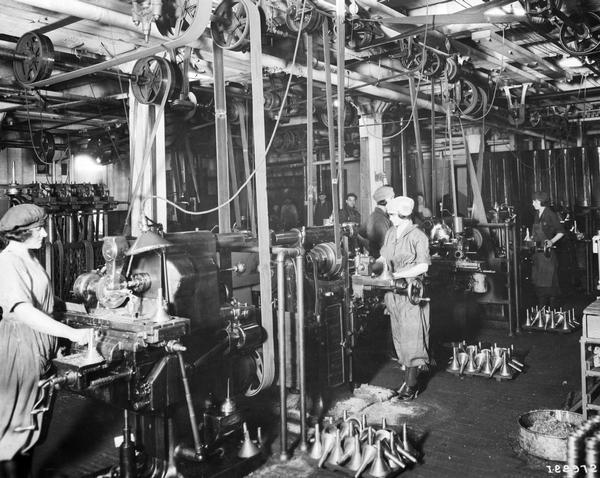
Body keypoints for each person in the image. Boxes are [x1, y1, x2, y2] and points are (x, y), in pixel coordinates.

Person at [0, 204, 91, 476]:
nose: (44, 234)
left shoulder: (29, 257)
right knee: (15, 427)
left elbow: (43, 302)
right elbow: (22, 309)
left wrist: (78, 312)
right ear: (21, 233)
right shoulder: (8, 263)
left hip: (38, 347)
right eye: (38, 229)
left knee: (31, 423)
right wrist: (73, 334)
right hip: (20, 347)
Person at [378, 196, 431, 401]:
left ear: (402, 214)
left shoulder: (418, 236)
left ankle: (412, 385)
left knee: (412, 339)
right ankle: (408, 376)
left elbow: (423, 266)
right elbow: (384, 257)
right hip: (393, 293)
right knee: (399, 336)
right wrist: (373, 267)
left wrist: (398, 275)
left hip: (411, 292)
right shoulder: (391, 233)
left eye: (392, 214)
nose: (390, 218)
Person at [531, 190, 565, 307]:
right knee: (539, 284)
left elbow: (561, 232)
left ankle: (552, 313)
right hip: (538, 255)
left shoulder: (550, 214)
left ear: (539, 201)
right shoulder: (537, 214)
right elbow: (536, 233)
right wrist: (530, 237)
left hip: (547, 256)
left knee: (550, 285)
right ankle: (542, 312)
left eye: (534, 201)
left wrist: (551, 241)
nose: (532, 203)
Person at [361, 185, 395, 258]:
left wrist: (369, 246)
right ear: (385, 200)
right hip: (383, 261)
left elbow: (360, 234)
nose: (394, 200)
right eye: (392, 198)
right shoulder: (380, 220)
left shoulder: (374, 215)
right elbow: (387, 247)